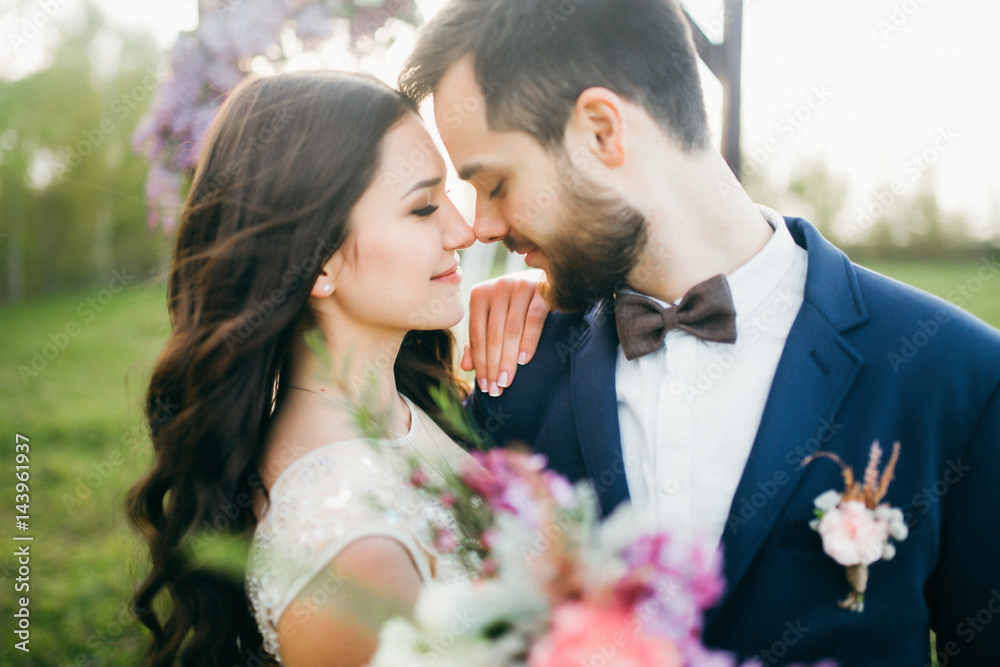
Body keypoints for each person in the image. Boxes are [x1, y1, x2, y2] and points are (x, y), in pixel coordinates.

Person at [400, 0, 1000, 665]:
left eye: (495, 183)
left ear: (602, 131)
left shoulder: (954, 373)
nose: (479, 226)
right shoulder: (512, 371)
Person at [127, 71, 545, 667]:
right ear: (317, 263)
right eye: (424, 206)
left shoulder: (405, 408)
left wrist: (545, 299)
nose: (464, 228)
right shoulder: (355, 552)